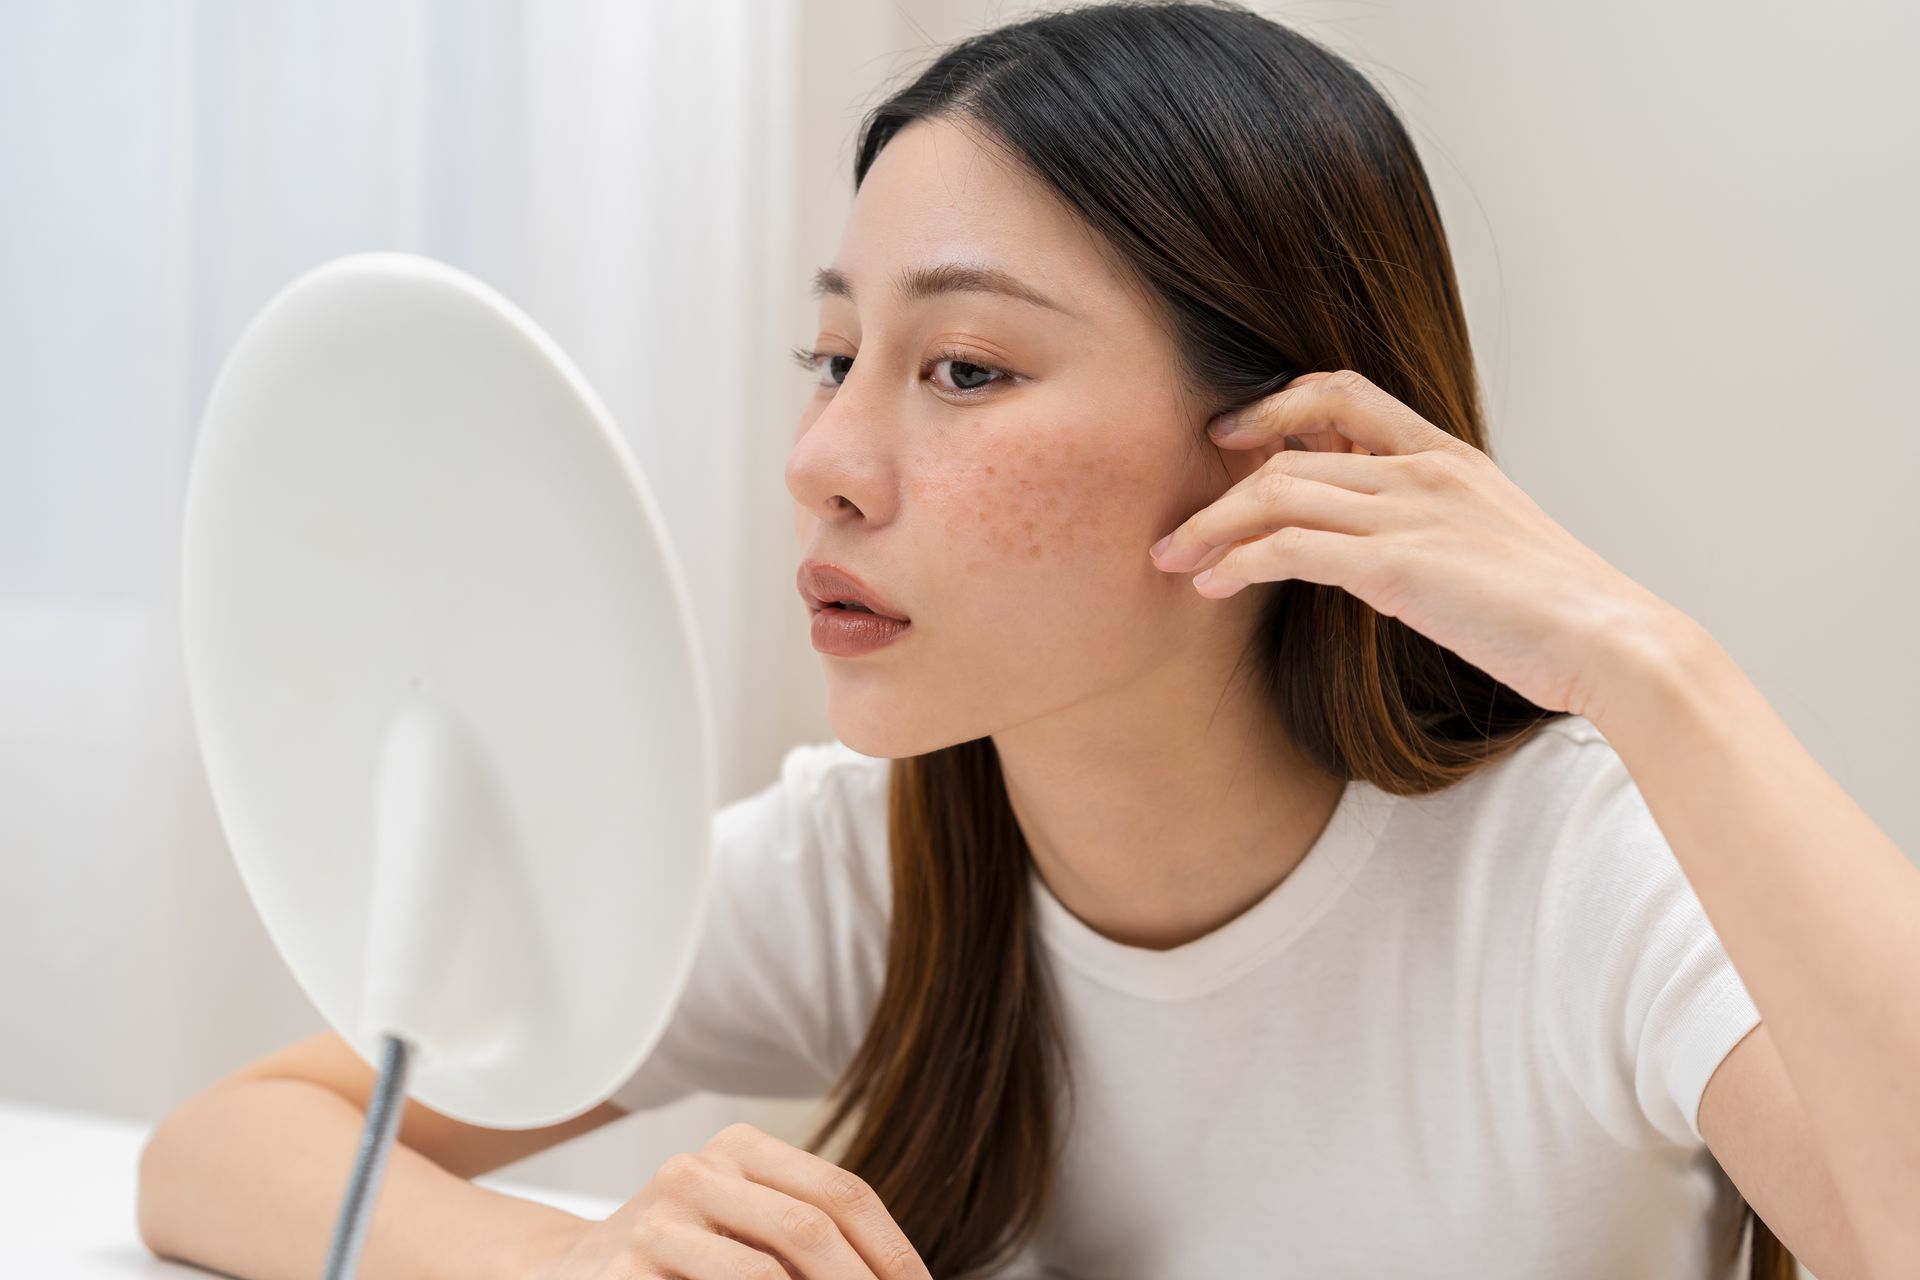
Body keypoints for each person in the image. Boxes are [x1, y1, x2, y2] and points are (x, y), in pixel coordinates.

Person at [140, 4, 1914, 1278]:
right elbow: (224, 1150)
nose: (824, 461)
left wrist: (1654, 671)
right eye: (835, 359)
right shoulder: (881, 860)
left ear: (1291, 440)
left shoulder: (1574, 880)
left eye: (964, 369)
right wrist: (548, 1262)